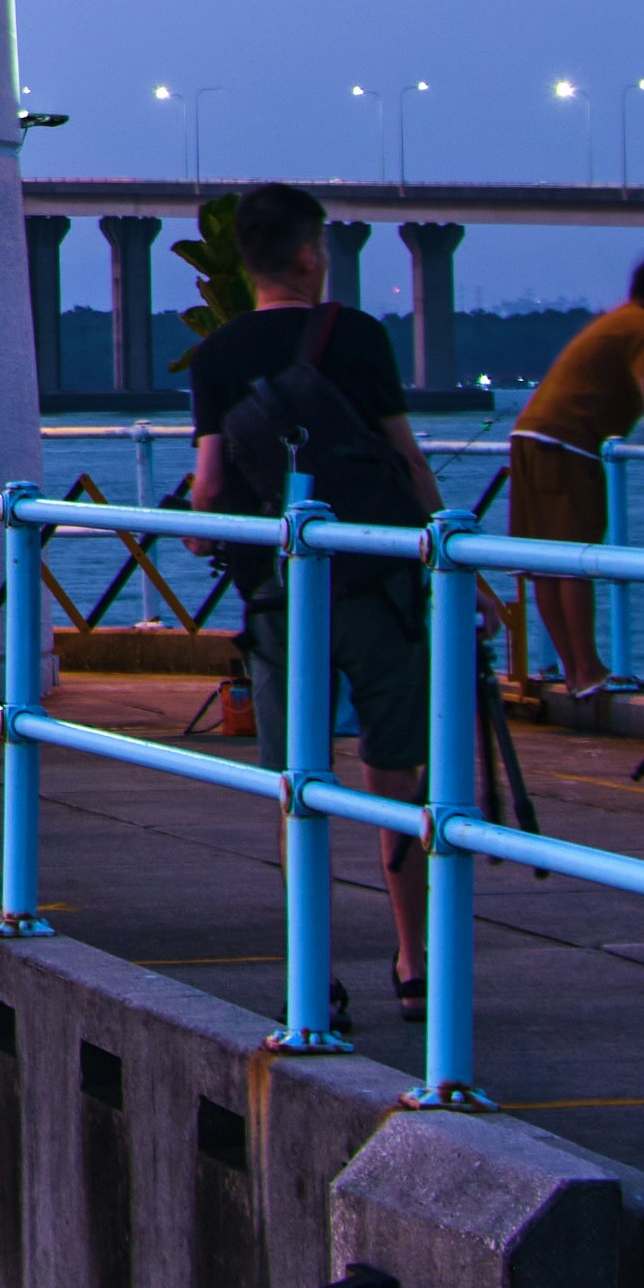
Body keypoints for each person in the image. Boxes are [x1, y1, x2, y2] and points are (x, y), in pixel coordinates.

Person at [185, 182, 435, 1000]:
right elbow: (405, 459)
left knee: (298, 783)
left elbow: (208, 487)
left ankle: (314, 976)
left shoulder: (217, 355)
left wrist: (205, 530)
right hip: (376, 585)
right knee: (395, 770)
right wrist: (446, 558)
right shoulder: (356, 335)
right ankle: (412, 961)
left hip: (278, 596)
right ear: (306, 253)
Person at [505, 256, 644, 715]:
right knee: (575, 558)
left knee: (544, 561)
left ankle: (576, 671)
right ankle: (587, 669)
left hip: (530, 436)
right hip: (568, 444)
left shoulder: (618, 320)